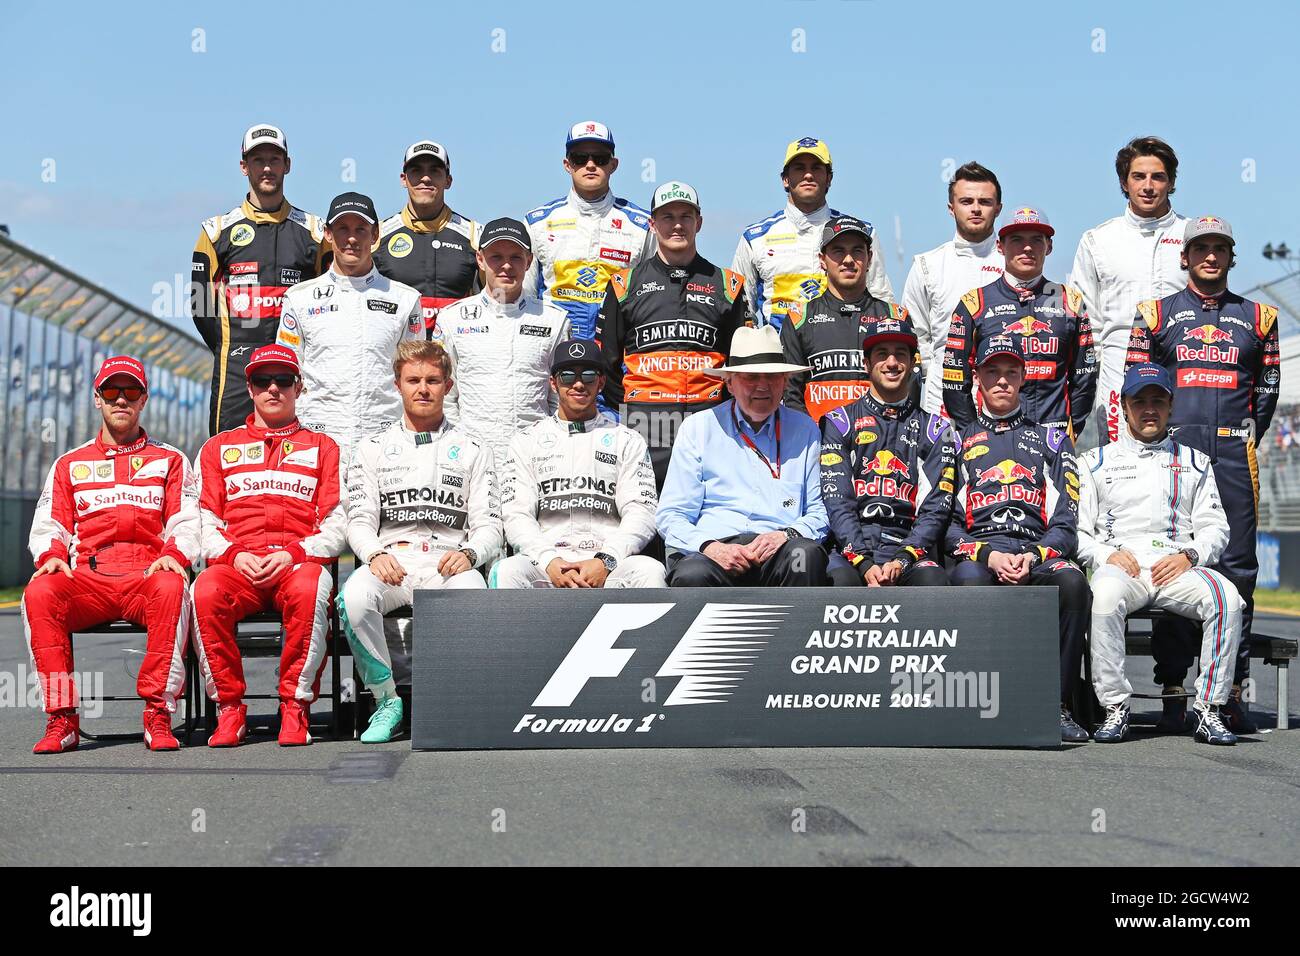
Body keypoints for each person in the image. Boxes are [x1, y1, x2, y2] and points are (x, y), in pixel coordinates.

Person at [1125, 216, 1280, 734]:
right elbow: (1137, 386)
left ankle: (1229, 689)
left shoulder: (1260, 317)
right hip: (1176, 454)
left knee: (1237, 568)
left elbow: (1267, 394)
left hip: (1235, 455)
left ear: (1231, 257)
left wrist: (1236, 437)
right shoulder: (1154, 315)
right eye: (1201, 248)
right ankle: (1172, 682)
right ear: (1185, 257)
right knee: (1173, 561)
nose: (1211, 256)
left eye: (1220, 248)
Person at [22, 356, 199, 754]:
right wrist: (51, 553)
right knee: (40, 593)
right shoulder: (70, 463)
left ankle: (158, 713)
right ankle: (61, 718)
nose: (122, 400)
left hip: (147, 575)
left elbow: (187, 520)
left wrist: (175, 553)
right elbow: (50, 523)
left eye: (131, 392)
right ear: (96, 399)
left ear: (144, 400)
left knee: (173, 585)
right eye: (112, 392)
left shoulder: (170, 459)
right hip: (90, 579)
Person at [339, 340, 502, 743]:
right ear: (397, 385)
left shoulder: (474, 449)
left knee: (475, 591)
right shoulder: (371, 448)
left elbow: (490, 526)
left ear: (448, 385)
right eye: (413, 380)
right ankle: (386, 701)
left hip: (447, 564)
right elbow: (357, 521)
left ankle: (452, 701)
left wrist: (471, 552)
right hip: (393, 563)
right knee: (353, 598)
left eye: (432, 380)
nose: (423, 389)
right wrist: (374, 554)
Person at [1078, 363, 1242, 745]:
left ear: (1171, 406)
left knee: (1227, 599)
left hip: (1177, 565)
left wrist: (1190, 554)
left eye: (1158, 400)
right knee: (1102, 599)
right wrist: (1105, 555)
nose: (1149, 409)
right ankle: (1115, 707)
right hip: (1123, 564)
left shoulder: (1196, 462)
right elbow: (1079, 534)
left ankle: (1209, 710)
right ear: (1123, 407)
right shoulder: (1095, 462)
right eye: (1140, 401)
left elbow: (1216, 528)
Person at [191, 345, 347, 748]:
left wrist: (294, 553)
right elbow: (204, 519)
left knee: (313, 590)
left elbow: (337, 522)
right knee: (203, 592)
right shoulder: (216, 447)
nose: (273, 388)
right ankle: (229, 708)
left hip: (294, 563)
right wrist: (232, 554)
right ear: (250, 387)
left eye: (283, 380)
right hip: (236, 564)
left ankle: (295, 706)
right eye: (263, 380)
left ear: (299, 388)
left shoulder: (324, 447)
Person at [945, 334, 1092, 742]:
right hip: (980, 552)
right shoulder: (955, 441)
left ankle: (1058, 706)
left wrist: (1034, 554)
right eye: (992, 371)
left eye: (1012, 372)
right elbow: (946, 523)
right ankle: (974, 704)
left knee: (1074, 582)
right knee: (967, 580)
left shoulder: (1053, 440)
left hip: (1036, 552)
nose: (1002, 380)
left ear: (1025, 378)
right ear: (977, 378)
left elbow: (1067, 521)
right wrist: (987, 555)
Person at [597, 181, 749, 486]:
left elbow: (741, 366)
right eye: (667, 217)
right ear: (653, 224)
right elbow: (606, 364)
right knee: (646, 522)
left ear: (699, 222)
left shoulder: (728, 285)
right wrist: (632, 410)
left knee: (709, 519)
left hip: (711, 423)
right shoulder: (623, 285)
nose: (677, 225)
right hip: (645, 425)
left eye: (685, 216)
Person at [657, 326, 829, 586]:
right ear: (729, 382)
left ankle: (793, 628)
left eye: (772, 377)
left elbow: (819, 512)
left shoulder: (805, 430)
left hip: (779, 549)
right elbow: (671, 515)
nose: (763, 385)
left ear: (784, 382)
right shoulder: (698, 429)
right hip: (714, 549)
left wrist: (787, 534)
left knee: (805, 557)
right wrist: (710, 547)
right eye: (751, 376)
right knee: (692, 574)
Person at [494, 339, 667, 589]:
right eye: (567, 376)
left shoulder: (628, 440)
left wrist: (605, 560)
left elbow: (642, 512)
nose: (578, 384)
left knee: (651, 570)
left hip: (608, 562)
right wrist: (549, 560)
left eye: (588, 375)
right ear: (553, 383)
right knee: (508, 570)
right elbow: (516, 513)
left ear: (601, 382)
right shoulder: (526, 441)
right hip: (547, 562)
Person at [192, 123, 327, 435]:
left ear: (288, 165)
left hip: (295, 370)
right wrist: (232, 346)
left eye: (274, 159)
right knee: (228, 460)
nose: (267, 168)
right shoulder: (215, 232)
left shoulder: (315, 233)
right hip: (236, 371)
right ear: (244, 167)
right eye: (257, 160)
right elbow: (201, 309)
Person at [276, 192, 423, 466]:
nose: (352, 238)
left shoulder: (405, 300)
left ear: (376, 234)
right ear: (328, 233)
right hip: (315, 443)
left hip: (386, 445)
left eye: (361, 229)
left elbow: (416, 377)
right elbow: (286, 375)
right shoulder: (299, 298)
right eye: (342, 228)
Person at [820, 315, 957, 587]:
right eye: (882, 354)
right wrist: (862, 560)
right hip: (850, 549)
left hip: (909, 551)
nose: (892, 363)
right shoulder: (839, 422)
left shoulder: (937, 429)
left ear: (913, 362)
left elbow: (936, 509)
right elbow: (837, 501)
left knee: (934, 581)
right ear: (866, 363)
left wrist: (904, 557)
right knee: (838, 581)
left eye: (900, 354)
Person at [1069, 136, 1188, 446]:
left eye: (1157, 177)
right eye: (1138, 176)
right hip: (1116, 374)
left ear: (1171, 181)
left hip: (1183, 370)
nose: (1148, 186)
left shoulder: (1194, 237)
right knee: (1122, 478)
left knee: (1182, 469)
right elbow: (1084, 324)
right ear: (1124, 182)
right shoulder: (1098, 240)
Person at [942, 206, 1098, 438]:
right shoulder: (974, 303)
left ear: (1049, 246)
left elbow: (1084, 377)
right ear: (1000, 246)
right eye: (1016, 239)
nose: (1027, 248)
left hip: (1053, 436)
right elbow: (954, 379)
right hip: (991, 436)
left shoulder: (1071, 302)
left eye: (1036, 239)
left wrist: (1070, 430)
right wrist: (972, 433)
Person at [433, 218, 571, 465]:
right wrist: (455, 448)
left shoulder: (554, 319)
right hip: (470, 460)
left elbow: (558, 398)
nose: (506, 266)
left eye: (516, 257)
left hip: (535, 459)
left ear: (529, 262)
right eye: (496, 257)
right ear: (480, 260)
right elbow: (446, 395)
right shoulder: (452, 318)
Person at [732, 137, 892, 331]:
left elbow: (882, 302)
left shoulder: (862, 233)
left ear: (829, 178)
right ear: (785, 179)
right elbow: (741, 313)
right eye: (799, 168)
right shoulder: (755, 238)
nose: (808, 175)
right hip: (780, 356)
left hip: (843, 352)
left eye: (816, 168)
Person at [525, 121, 655, 340]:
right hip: (557, 339)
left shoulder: (642, 225)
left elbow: (653, 293)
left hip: (618, 340)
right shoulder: (538, 222)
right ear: (567, 164)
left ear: (614, 165)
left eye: (601, 158)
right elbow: (525, 296)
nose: (591, 164)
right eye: (580, 158)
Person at [781, 215, 910, 422]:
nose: (848, 260)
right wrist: (811, 438)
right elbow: (790, 393)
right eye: (838, 251)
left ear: (869, 258)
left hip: (882, 445)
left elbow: (909, 387)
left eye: (857, 251)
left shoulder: (895, 317)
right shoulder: (799, 318)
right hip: (819, 442)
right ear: (822, 260)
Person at [902, 162, 1006, 414]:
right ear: (951, 208)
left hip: (1005, 395)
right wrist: (937, 372)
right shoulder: (927, 265)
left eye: (985, 202)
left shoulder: (1015, 262)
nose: (976, 209)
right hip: (941, 400)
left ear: (999, 208)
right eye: (967, 201)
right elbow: (914, 337)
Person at [372, 140, 482, 337]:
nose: (425, 178)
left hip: (455, 359)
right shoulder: (377, 237)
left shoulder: (474, 236)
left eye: (434, 171)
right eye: (416, 171)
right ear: (403, 179)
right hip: (399, 359)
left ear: (448, 181)